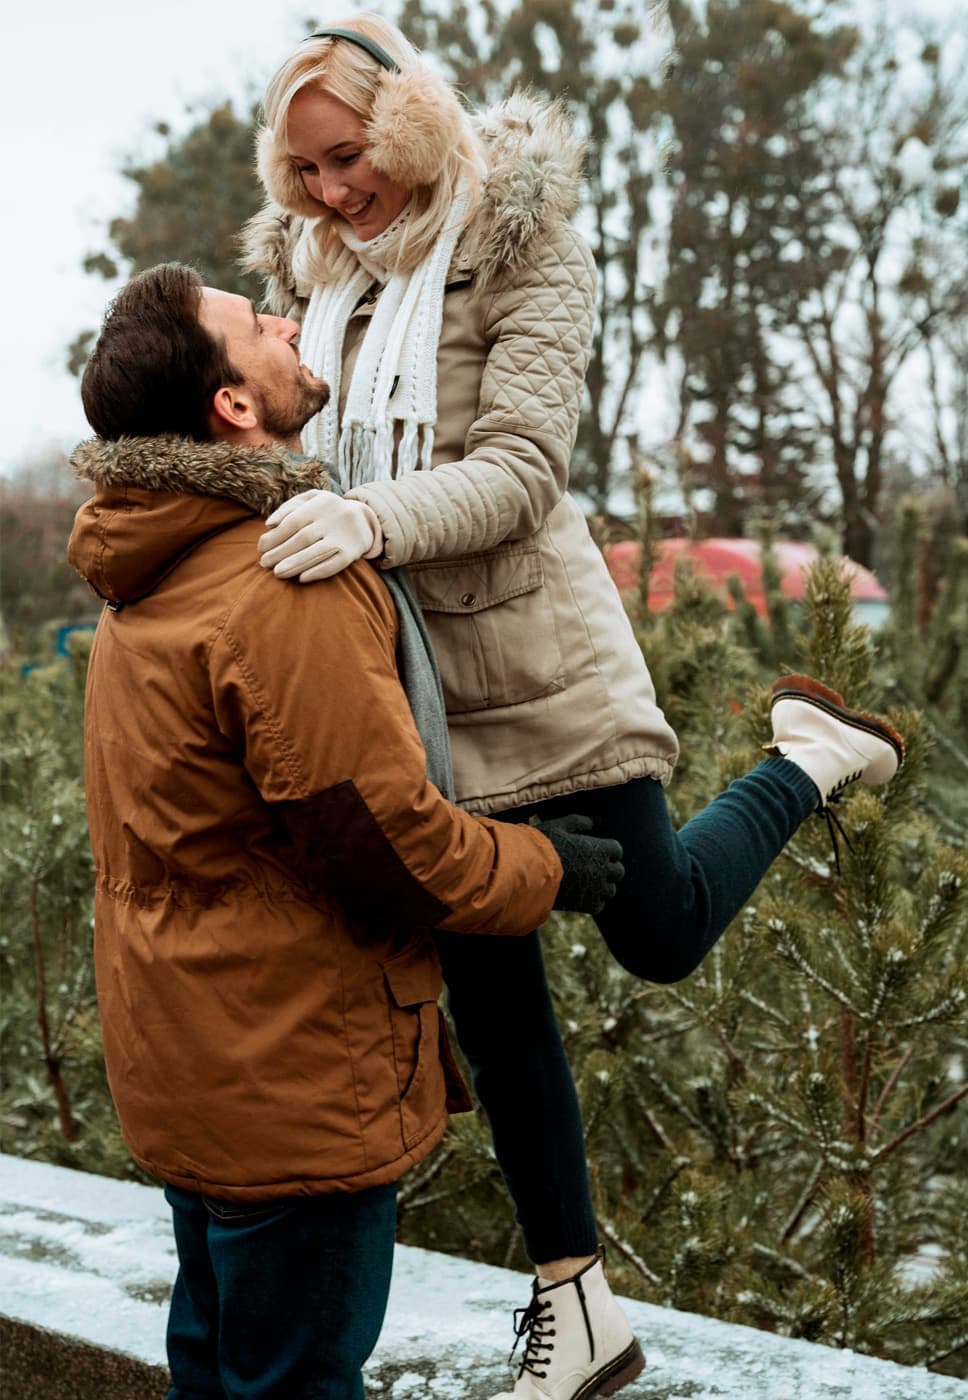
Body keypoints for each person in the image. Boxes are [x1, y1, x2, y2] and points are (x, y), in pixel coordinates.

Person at [240, 17, 907, 1399]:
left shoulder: (519, 235)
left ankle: (803, 758)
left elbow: (525, 468)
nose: (332, 194)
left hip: (540, 657)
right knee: (491, 982)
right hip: (412, 677)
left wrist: (363, 517)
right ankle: (577, 1303)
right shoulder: (326, 284)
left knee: (658, 931)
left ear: (411, 122)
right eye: (304, 173)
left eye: (349, 158)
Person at [66, 261, 627, 1400]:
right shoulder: (276, 584)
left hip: (201, 1068)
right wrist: (551, 863)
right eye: (252, 324)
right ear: (232, 404)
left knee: (215, 1376)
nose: (284, 318)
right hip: (293, 1087)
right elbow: (384, 843)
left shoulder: (149, 577)